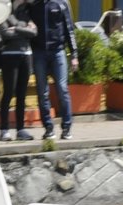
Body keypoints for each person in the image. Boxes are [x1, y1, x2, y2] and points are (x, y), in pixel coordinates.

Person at [29, 0, 79, 140]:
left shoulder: (61, 3)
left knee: (62, 88)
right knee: (42, 91)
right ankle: (48, 128)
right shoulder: (34, 5)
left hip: (58, 52)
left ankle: (67, 127)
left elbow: (69, 29)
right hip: (39, 53)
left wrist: (74, 54)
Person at [0, 2, 38, 141]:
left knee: (21, 94)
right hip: (9, 56)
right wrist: (24, 29)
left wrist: (17, 29)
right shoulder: (3, 14)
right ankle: (4, 130)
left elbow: (34, 32)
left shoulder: (25, 12)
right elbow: (5, 33)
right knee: (8, 92)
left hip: (26, 56)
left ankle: (21, 129)